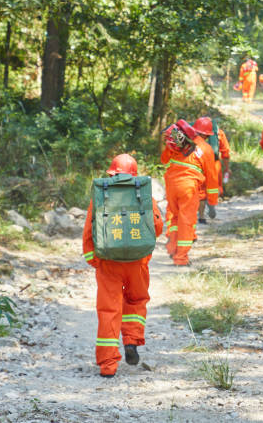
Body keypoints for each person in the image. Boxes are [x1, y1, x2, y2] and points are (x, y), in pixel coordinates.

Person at [82, 154, 164, 378]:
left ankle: (108, 365)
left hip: (108, 262)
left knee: (109, 310)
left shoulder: (101, 195)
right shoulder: (143, 193)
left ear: (112, 173)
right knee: (136, 301)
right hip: (137, 263)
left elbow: (90, 230)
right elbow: (156, 226)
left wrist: (94, 259)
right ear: (134, 174)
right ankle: (131, 341)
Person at [161, 120, 219, 266]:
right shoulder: (206, 149)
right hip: (188, 187)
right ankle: (181, 258)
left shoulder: (180, 142)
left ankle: (173, 248)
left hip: (171, 184)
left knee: (174, 217)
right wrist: (212, 202)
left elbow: (164, 160)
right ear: (207, 135)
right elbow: (212, 178)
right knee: (186, 221)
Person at [192, 117, 231, 223]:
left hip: (199, 162)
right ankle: (212, 203)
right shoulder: (219, 133)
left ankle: (201, 216)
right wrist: (227, 168)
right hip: (214, 164)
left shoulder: (193, 134)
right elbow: (225, 153)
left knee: (201, 190)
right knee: (214, 187)